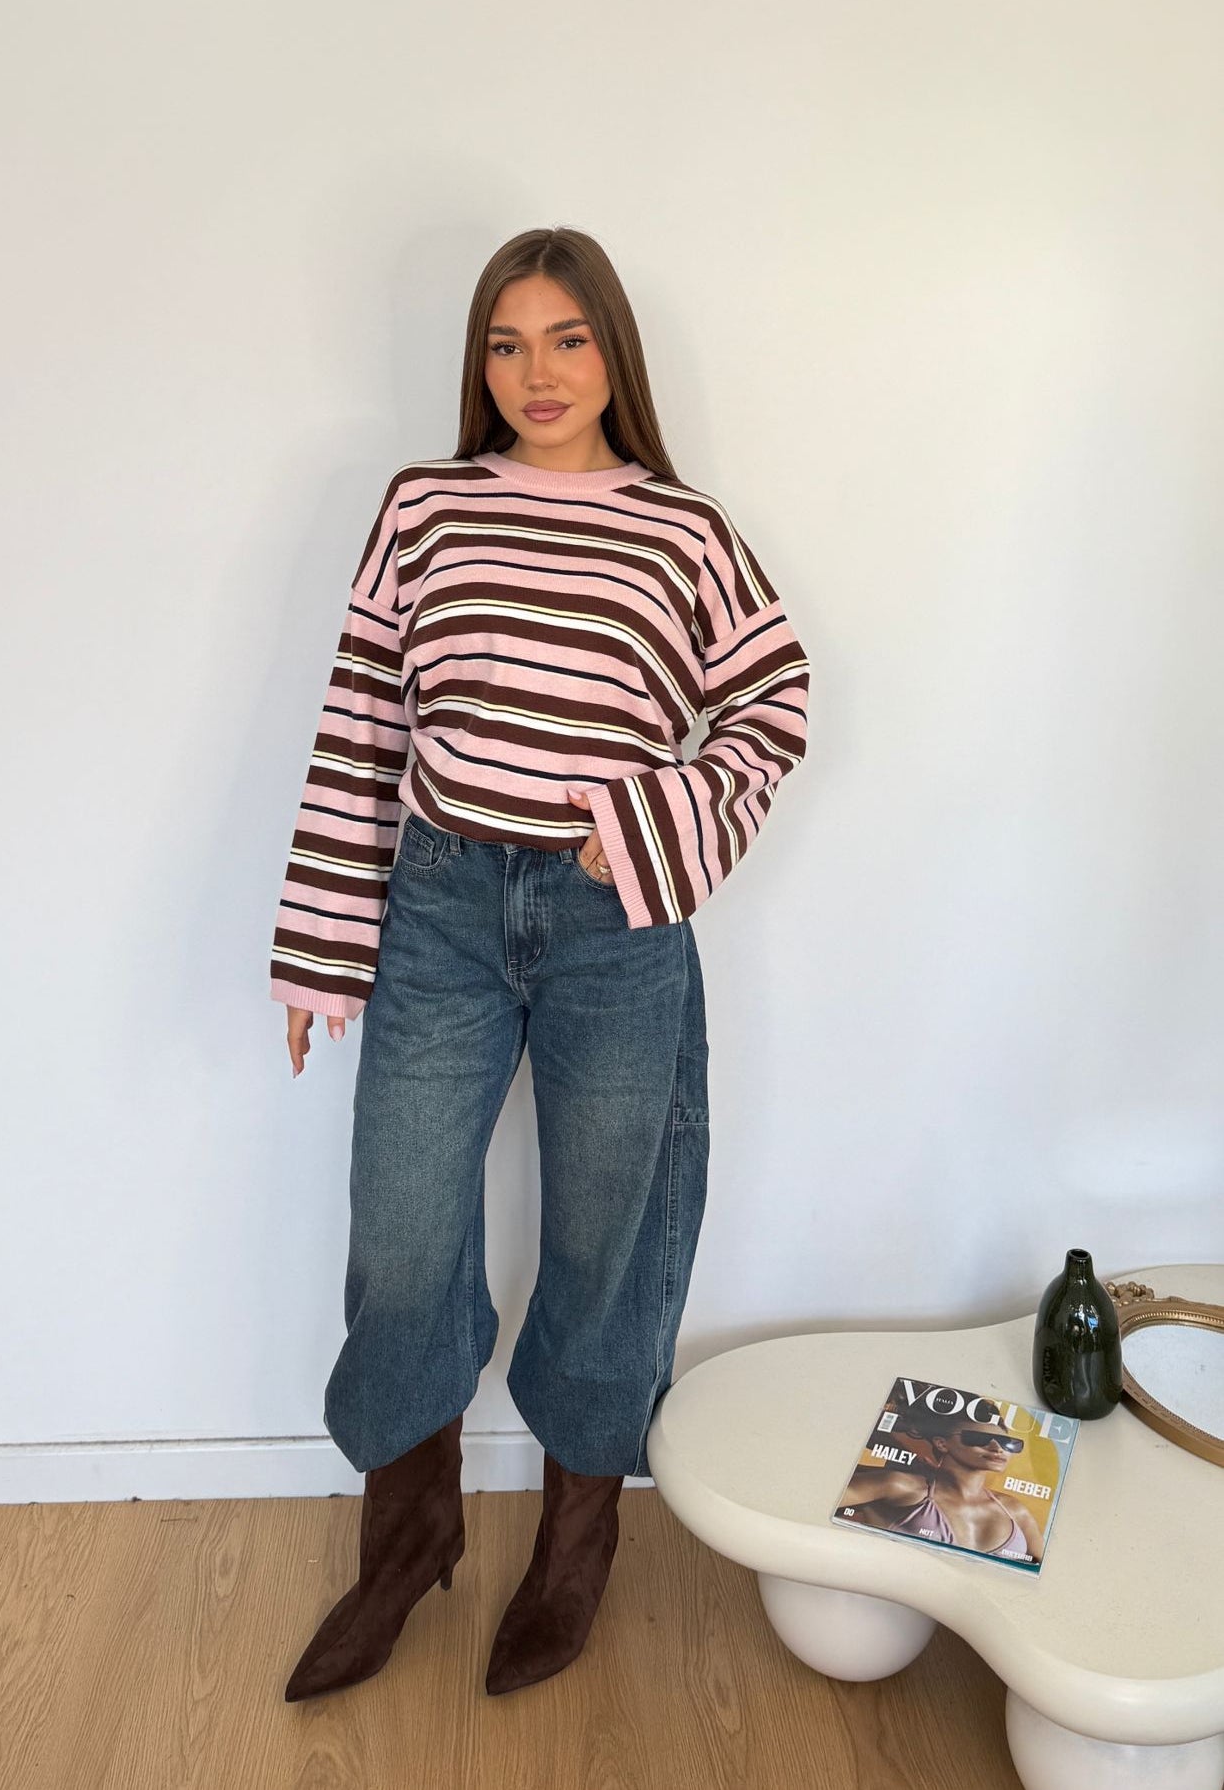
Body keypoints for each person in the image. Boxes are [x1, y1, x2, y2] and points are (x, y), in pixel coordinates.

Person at [271, 226, 812, 1702]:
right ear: (480, 363)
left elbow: (771, 702)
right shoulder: (425, 506)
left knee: (606, 1237)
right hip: (441, 908)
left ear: (612, 352)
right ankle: (409, 1536)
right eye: (506, 344)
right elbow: (362, 724)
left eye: (567, 339)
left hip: (611, 924)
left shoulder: (681, 531)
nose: (537, 372)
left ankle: (577, 1542)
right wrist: (322, 947)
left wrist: (640, 831)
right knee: (401, 1231)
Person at [836, 1419, 1048, 1562]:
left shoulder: (1014, 1509)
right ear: (941, 1443)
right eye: (978, 1439)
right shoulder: (901, 1486)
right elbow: (825, 1492)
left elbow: (1043, 1575)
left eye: (1006, 1443)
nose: (997, 1448)